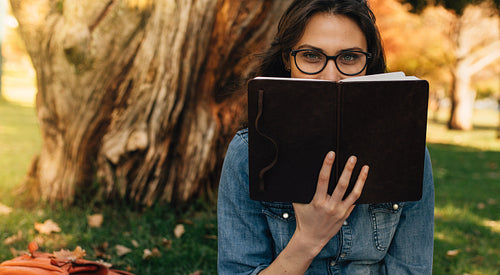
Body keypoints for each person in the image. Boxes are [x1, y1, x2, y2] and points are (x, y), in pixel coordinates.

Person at [217, 0, 435, 274]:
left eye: (349, 57)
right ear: (287, 59)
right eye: (311, 55)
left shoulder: (408, 150)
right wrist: (308, 239)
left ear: (369, 63)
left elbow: (412, 268)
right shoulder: (246, 152)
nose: (330, 76)